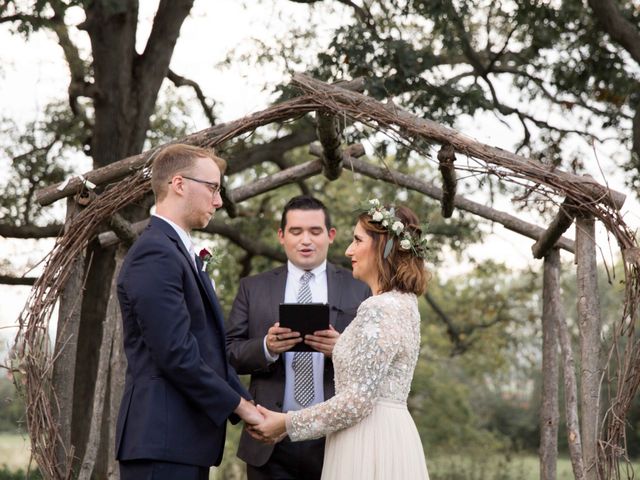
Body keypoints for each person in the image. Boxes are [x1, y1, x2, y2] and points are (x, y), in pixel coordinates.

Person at [249, 200, 431, 480]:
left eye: (357, 240)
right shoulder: (405, 303)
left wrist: (287, 423)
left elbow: (357, 401)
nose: (348, 251)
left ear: (384, 246)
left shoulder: (378, 307)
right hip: (391, 432)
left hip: (367, 439)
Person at [115, 144, 262, 480]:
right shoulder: (154, 253)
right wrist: (241, 408)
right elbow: (176, 353)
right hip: (161, 442)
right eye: (212, 187)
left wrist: (248, 406)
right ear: (179, 184)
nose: (219, 200)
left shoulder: (177, 252)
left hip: (181, 443)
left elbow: (205, 351)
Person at [225, 195, 371, 480]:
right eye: (296, 231)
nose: (306, 240)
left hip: (334, 437)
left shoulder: (360, 289)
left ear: (330, 235)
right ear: (281, 236)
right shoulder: (252, 288)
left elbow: (374, 365)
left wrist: (342, 348)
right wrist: (266, 347)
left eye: (315, 231)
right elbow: (228, 353)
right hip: (269, 436)